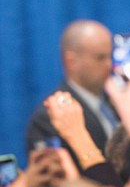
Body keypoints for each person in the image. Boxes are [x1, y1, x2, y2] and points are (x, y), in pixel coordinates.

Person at [25, 20, 119, 167]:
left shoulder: (116, 104)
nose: (109, 65)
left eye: (109, 56)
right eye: (100, 58)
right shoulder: (51, 115)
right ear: (71, 61)